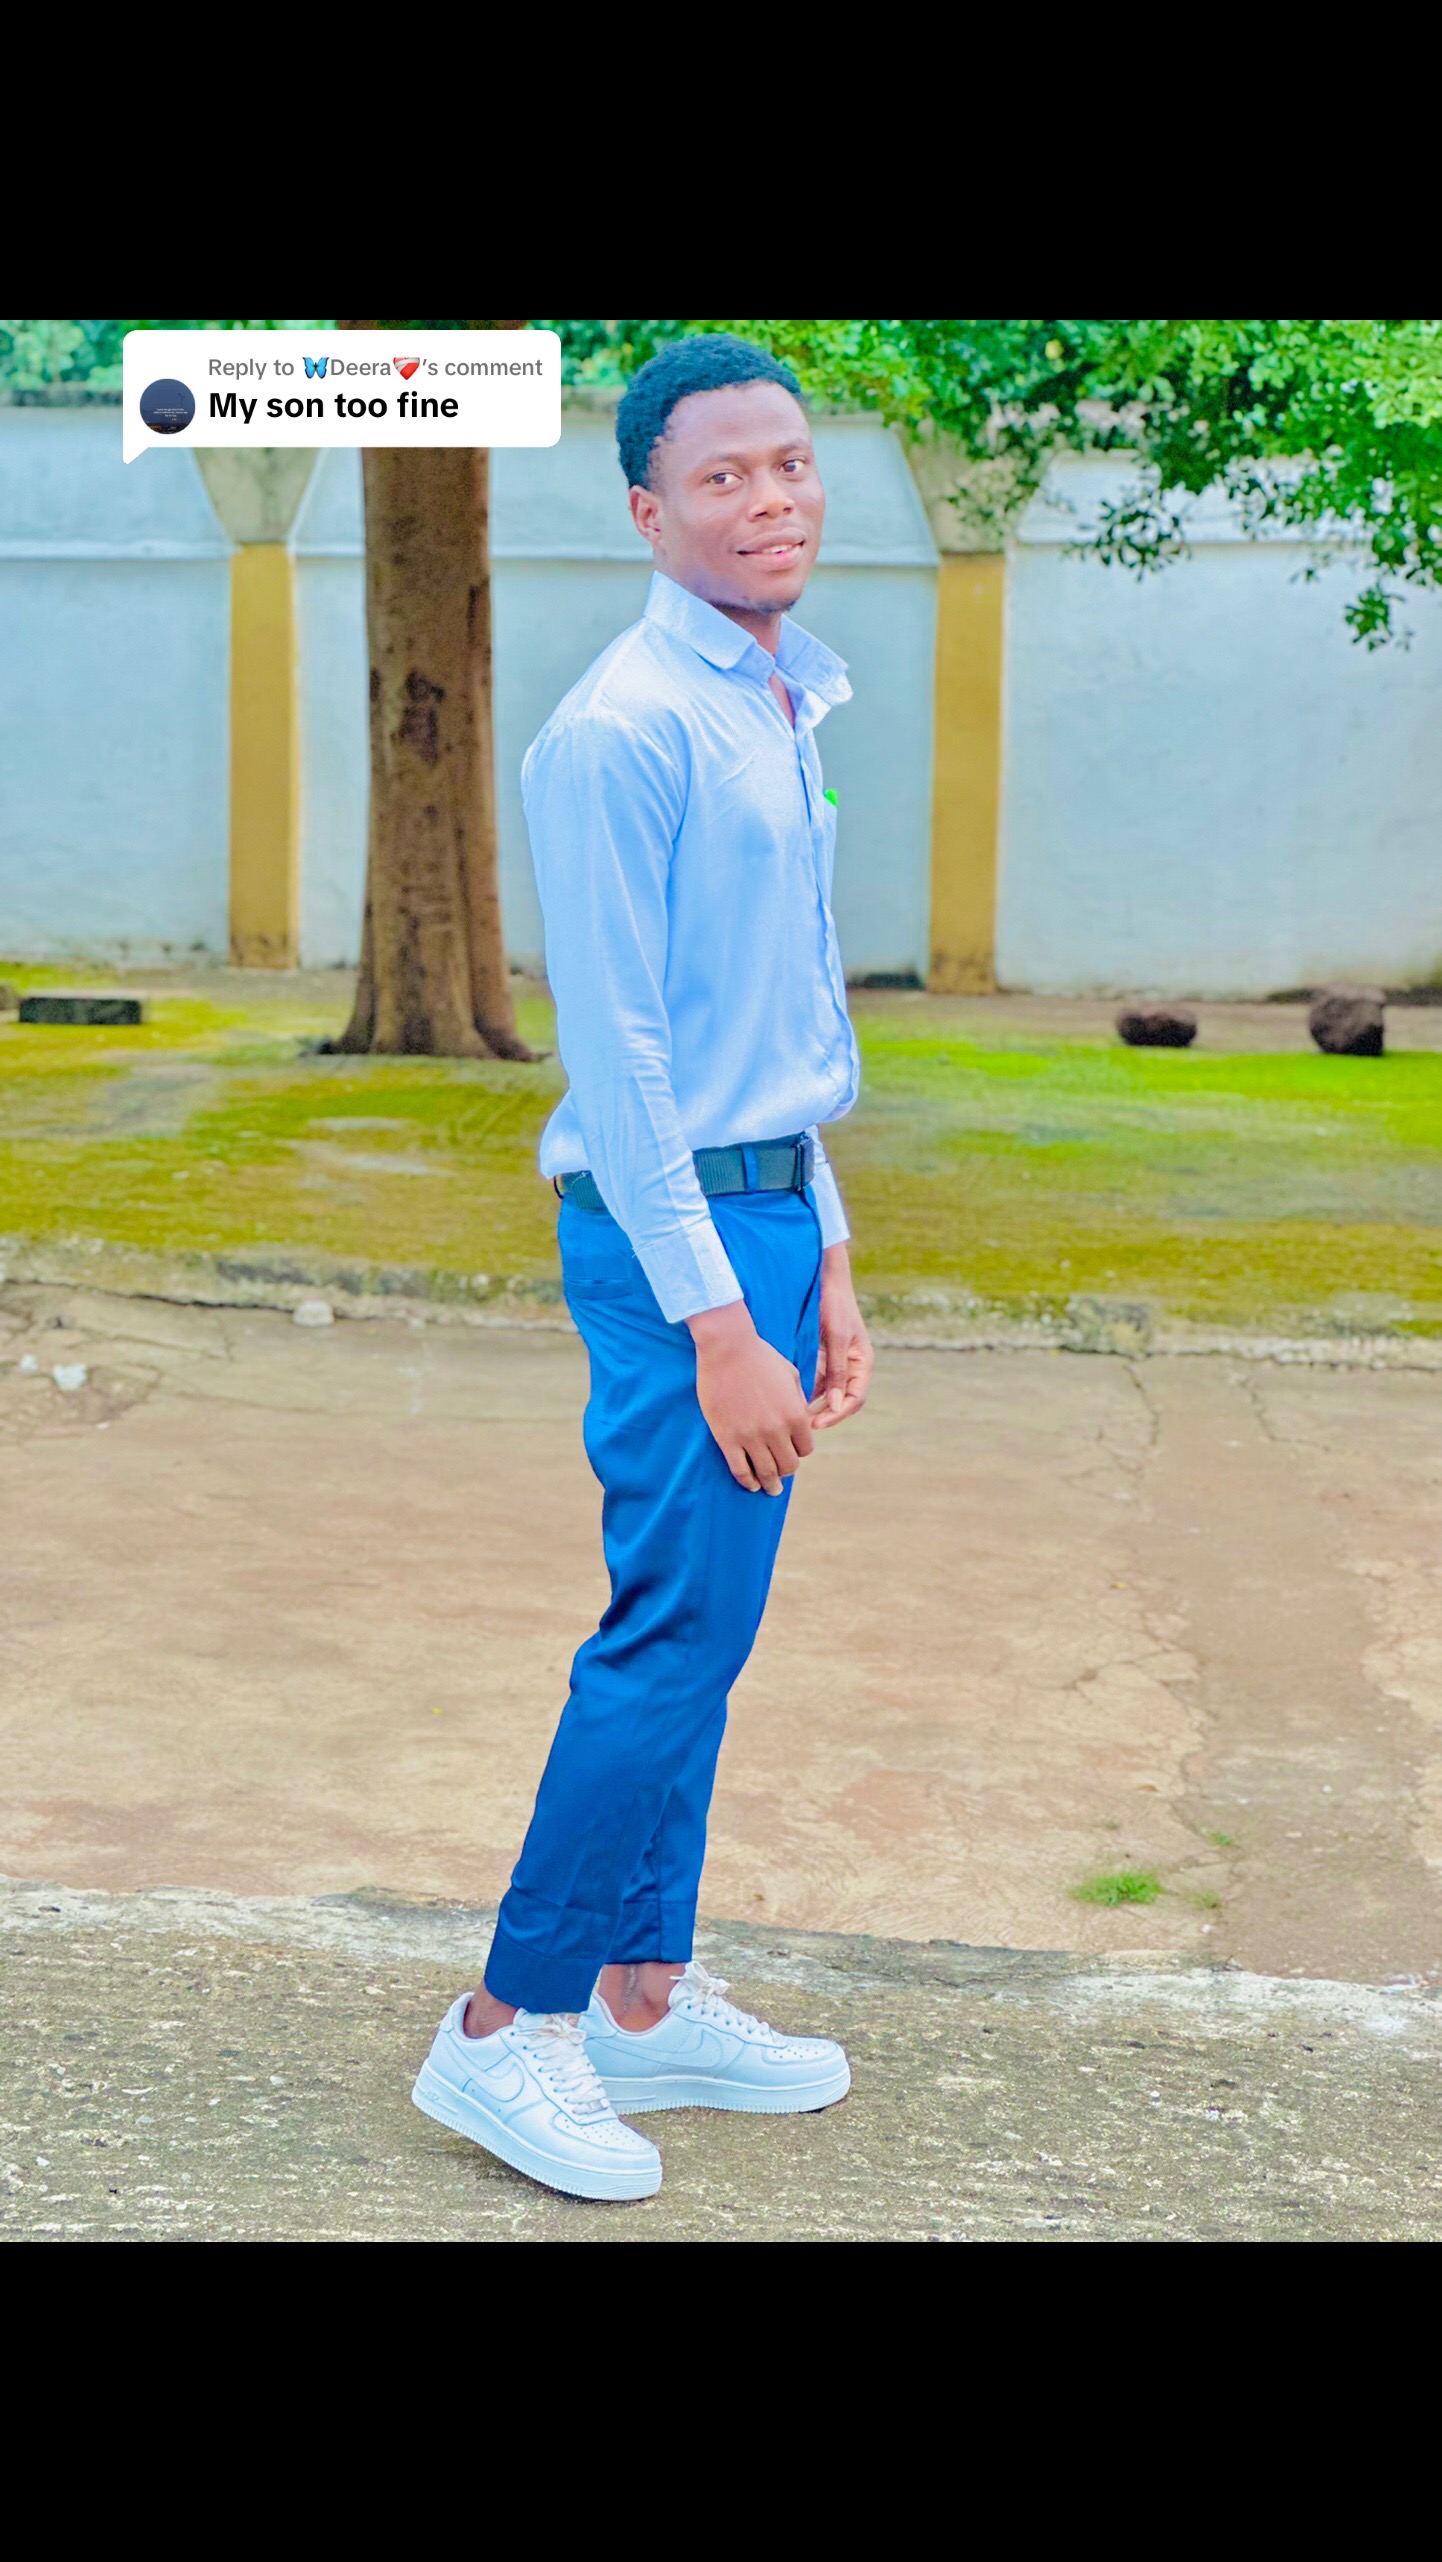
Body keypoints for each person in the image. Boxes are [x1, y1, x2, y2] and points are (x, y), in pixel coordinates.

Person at [413, 335, 874, 2200]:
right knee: (666, 1637)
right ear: (646, 511)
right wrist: (715, 1319)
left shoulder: (776, 696)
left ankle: (641, 1991)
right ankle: (504, 2024)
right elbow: (620, 1059)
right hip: (667, 1230)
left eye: (790, 463)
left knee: (706, 1632)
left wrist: (823, 1248)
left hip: (762, 1211)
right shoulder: (621, 729)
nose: (770, 500)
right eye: (721, 477)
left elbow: (770, 1016)